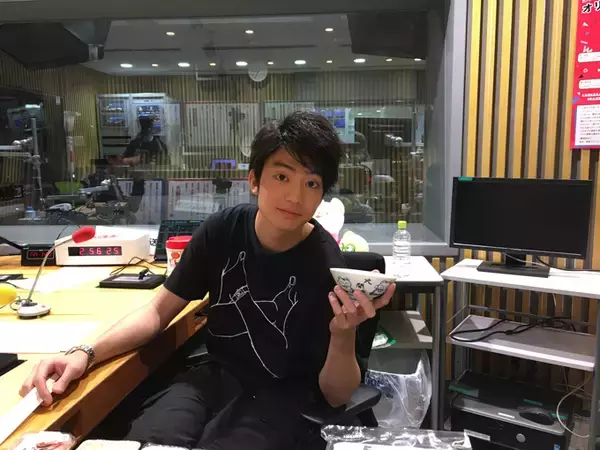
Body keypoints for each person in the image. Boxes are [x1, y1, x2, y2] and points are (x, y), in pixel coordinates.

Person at [19, 111, 396, 450]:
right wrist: (84, 354)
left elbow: (335, 395)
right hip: (213, 378)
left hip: (284, 395)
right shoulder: (223, 230)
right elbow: (157, 313)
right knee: (151, 441)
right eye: (282, 176)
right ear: (254, 180)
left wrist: (344, 332)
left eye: (312, 183)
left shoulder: (324, 262)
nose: (295, 196)